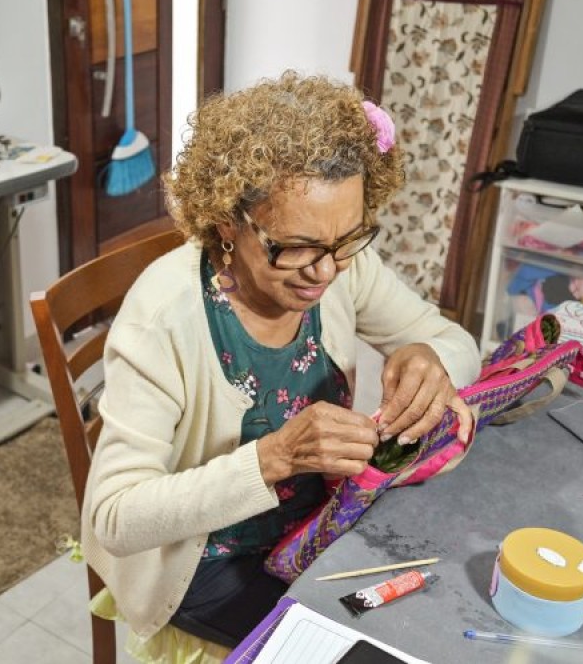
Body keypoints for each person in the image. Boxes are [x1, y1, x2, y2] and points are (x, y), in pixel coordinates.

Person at [81, 71, 481, 660]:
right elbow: (115, 516)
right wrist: (275, 458)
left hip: (317, 521)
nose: (325, 271)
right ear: (228, 221)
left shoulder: (340, 264)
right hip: (204, 558)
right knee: (367, 649)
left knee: (437, 608)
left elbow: (457, 343)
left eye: (347, 239)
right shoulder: (162, 323)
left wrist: (429, 358)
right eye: (295, 247)